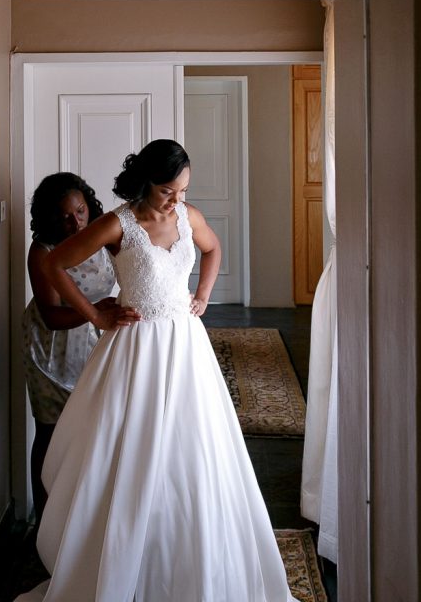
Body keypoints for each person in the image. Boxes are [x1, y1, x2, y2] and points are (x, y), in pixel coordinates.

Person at [16, 140, 296, 602]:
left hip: (186, 348)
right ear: (146, 182)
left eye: (183, 190)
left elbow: (213, 249)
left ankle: (192, 556)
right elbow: (54, 262)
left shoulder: (189, 218)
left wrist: (203, 295)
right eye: (169, 190)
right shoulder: (117, 223)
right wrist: (95, 314)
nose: (177, 200)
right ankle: (124, 558)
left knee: (194, 450)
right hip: (136, 351)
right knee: (132, 450)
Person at [21, 172, 136, 522]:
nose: (76, 223)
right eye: (65, 216)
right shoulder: (42, 252)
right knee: (51, 431)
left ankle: (84, 517)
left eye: (81, 211)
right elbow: (53, 316)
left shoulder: (100, 233)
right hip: (51, 351)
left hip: (96, 343)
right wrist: (95, 312)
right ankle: (44, 519)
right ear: (50, 218)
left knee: (95, 430)